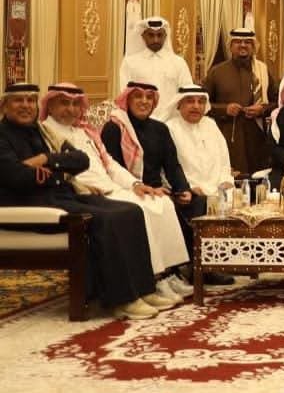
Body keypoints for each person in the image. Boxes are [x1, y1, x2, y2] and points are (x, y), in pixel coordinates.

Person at [0, 83, 170, 320]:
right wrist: (59, 171)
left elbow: (80, 160)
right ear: (4, 106)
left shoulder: (42, 131)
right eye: (19, 101)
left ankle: (143, 289)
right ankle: (122, 300)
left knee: (131, 211)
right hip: (31, 205)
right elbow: (16, 176)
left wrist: (45, 159)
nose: (26, 106)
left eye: (30, 100)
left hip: (60, 196)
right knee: (109, 219)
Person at [41, 83, 191, 299]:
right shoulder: (45, 133)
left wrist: (135, 184)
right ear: (50, 105)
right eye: (64, 103)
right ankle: (150, 279)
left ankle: (167, 274)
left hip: (112, 188)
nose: (71, 109)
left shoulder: (84, 131)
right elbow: (52, 170)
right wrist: (78, 187)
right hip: (87, 194)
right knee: (140, 210)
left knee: (161, 202)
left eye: (75, 104)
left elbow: (110, 164)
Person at [100, 82, 205, 253]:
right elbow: (113, 169)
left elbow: (172, 165)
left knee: (197, 201)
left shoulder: (160, 129)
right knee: (162, 205)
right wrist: (145, 188)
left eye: (149, 97)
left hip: (158, 190)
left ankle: (196, 260)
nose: (144, 101)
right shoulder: (114, 128)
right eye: (138, 96)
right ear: (127, 99)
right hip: (129, 190)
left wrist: (183, 188)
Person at [203, 28, 276, 176]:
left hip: (257, 134)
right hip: (227, 134)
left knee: (258, 176)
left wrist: (262, 109)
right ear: (230, 46)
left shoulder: (262, 70)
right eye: (237, 42)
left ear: (254, 47)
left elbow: (276, 102)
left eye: (247, 42)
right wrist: (224, 109)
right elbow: (203, 103)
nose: (243, 45)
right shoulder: (217, 72)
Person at [118, 17, 194, 123]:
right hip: (140, 122)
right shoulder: (130, 63)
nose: (155, 40)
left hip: (172, 122)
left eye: (159, 35)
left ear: (165, 36)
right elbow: (125, 94)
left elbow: (186, 94)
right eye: (151, 35)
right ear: (143, 36)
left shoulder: (179, 63)